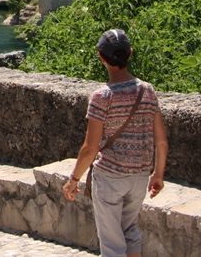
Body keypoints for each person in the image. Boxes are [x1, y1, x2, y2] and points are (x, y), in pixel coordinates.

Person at [62, 30, 167, 257]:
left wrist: (74, 179)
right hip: (140, 174)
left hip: (110, 176)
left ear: (101, 57)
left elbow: (90, 147)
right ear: (130, 54)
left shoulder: (102, 97)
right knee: (130, 232)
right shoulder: (147, 90)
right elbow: (161, 140)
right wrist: (158, 173)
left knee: (112, 245)